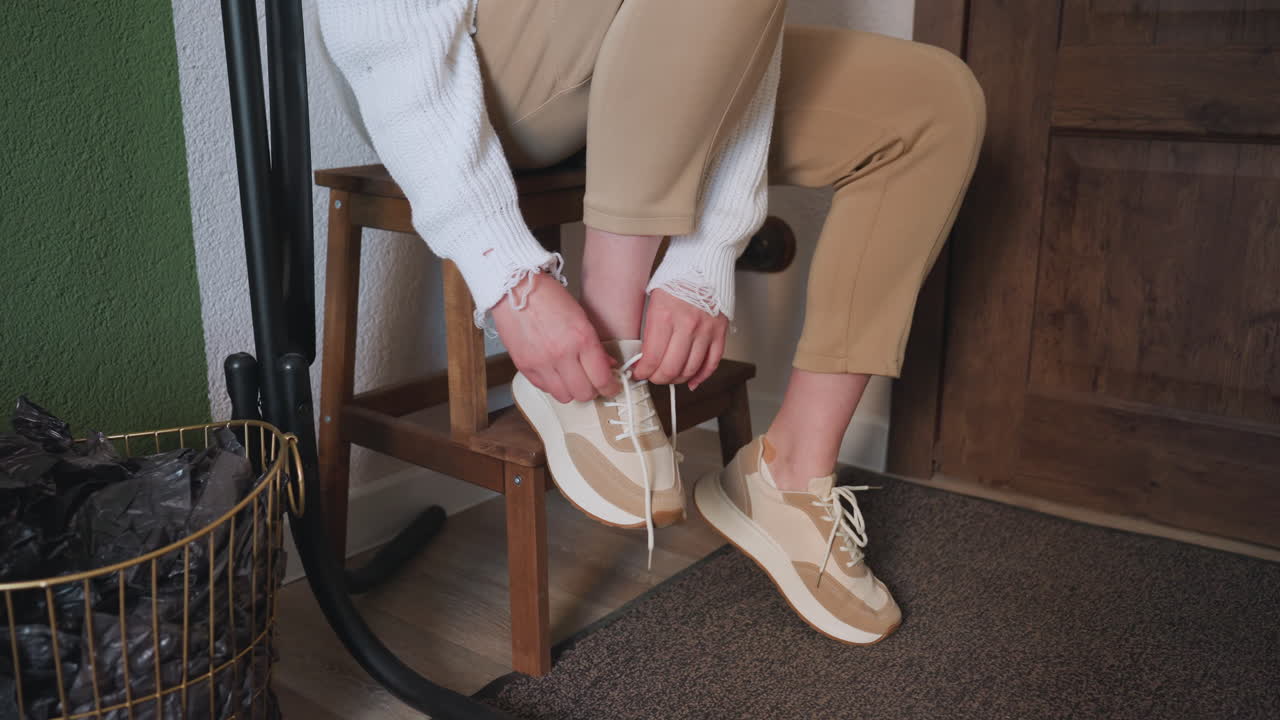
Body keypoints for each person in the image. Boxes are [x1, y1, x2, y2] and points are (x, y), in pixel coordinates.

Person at [318, 0, 984, 645]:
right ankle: (608, 353)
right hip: (476, 69)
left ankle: (789, 473)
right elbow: (381, 30)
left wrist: (706, 251)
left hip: (643, 48)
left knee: (933, 104)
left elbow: (742, 38)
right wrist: (510, 276)